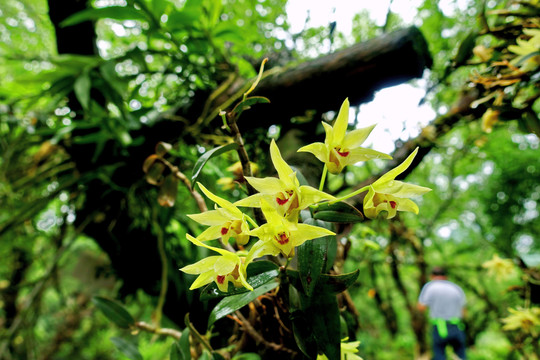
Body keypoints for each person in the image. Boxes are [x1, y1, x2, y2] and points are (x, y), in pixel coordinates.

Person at [417, 266, 467, 360]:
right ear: (445, 276)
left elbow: (421, 307)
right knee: (461, 356)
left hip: (439, 327)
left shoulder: (430, 287)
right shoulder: (456, 288)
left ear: (432, 276)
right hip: (457, 326)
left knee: (439, 354)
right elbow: (464, 311)